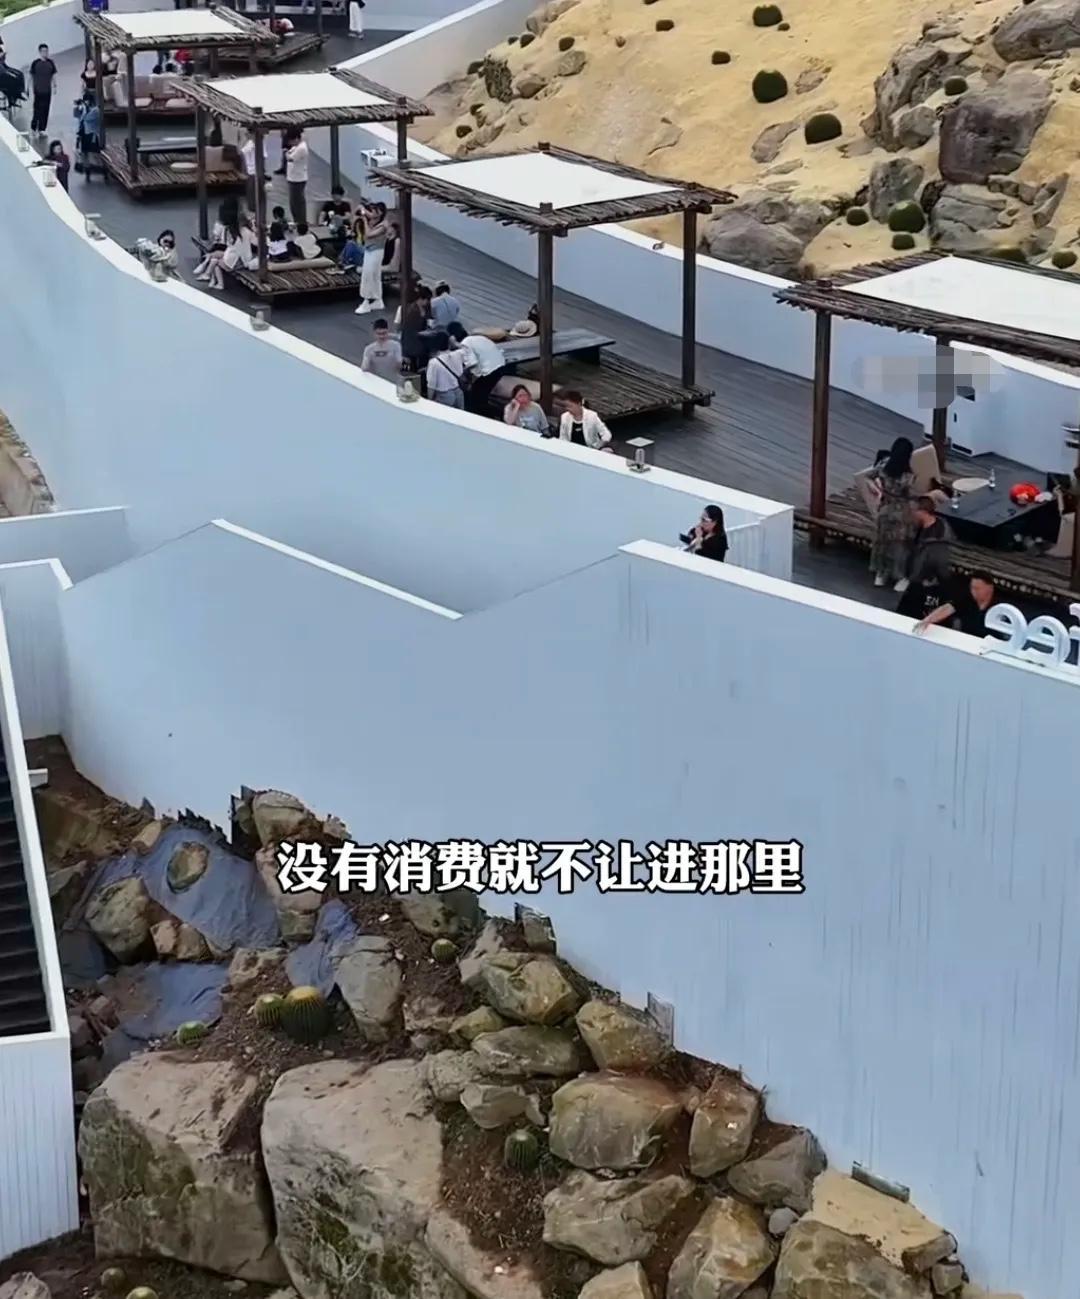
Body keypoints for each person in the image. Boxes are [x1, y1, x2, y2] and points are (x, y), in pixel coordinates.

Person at [868, 436, 915, 589]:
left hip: (884, 509)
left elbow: (869, 477)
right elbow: (910, 495)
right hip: (901, 512)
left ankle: (880, 574)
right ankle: (900, 576)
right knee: (901, 545)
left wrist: (877, 489)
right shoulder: (908, 476)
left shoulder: (883, 465)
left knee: (882, 542)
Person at [896, 497, 954, 619]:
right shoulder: (918, 528)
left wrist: (932, 580)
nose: (911, 513)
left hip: (926, 583)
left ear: (922, 512)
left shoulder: (938, 538)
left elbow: (941, 563)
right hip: (915, 579)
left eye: (913, 510)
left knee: (913, 614)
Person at [914, 571, 998, 638]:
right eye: (972, 588)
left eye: (977, 588)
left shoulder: (999, 606)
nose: (973, 591)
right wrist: (928, 620)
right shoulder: (967, 600)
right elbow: (948, 608)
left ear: (990, 588)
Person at [447, 322, 507, 414]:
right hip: (499, 364)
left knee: (476, 397)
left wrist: (463, 372)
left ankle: (495, 413)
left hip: (490, 370)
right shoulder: (475, 338)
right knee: (481, 393)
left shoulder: (465, 343)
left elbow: (472, 363)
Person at [355, 201, 388, 315]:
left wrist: (364, 220)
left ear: (380, 213)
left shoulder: (383, 225)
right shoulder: (374, 219)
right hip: (369, 250)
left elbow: (368, 235)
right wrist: (362, 210)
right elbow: (364, 212)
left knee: (368, 274)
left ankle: (366, 301)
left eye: (375, 211)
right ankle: (378, 300)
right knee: (374, 276)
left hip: (376, 252)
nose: (372, 213)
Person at [425, 332, 468, 409]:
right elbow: (467, 349)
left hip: (444, 397)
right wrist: (454, 343)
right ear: (449, 343)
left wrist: (429, 401)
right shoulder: (458, 354)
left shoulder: (434, 362)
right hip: (458, 393)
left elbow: (431, 385)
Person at [400, 285, 433, 378]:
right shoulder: (412, 311)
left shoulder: (423, 308)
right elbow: (409, 330)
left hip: (419, 341)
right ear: (421, 299)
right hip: (413, 343)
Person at [361, 319, 404, 384]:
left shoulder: (396, 346)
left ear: (388, 332)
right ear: (374, 333)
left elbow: (399, 364)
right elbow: (364, 367)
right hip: (375, 382)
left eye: (384, 333)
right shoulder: (369, 349)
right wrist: (366, 363)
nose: (381, 336)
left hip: (392, 382)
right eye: (379, 334)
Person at [29, 43, 57, 136]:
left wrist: (55, 86)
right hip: (38, 90)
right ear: (40, 52)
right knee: (37, 109)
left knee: (45, 109)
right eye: (43, 51)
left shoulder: (50, 63)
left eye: (46, 51)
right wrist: (28, 88)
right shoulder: (35, 63)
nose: (45, 53)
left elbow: (53, 75)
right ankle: (34, 127)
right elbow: (31, 76)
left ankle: (42, 128)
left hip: (47, 90)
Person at [284, 127, 309, 227]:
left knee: (298, 203)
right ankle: (297, 221)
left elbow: (290, 158)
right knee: (293, 203)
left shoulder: (302, 148)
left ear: (296, 139)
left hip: (298, 179)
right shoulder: (296, 147)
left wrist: (286, 154)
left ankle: (301, 222)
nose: (290, 143)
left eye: (291, 140)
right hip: (293, 178)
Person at [74, 91, 102, 175]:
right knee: (84, 151)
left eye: (87, 100)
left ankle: (98, 167)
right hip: (83, 133)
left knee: (93, 152)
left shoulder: (95, 110)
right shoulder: (85, 109)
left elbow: (86, 118)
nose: (86, 102)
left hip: (91, 134)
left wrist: (84, 109)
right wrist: (77, 107)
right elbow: (76, 115)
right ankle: (87, 167)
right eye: (85, 100)